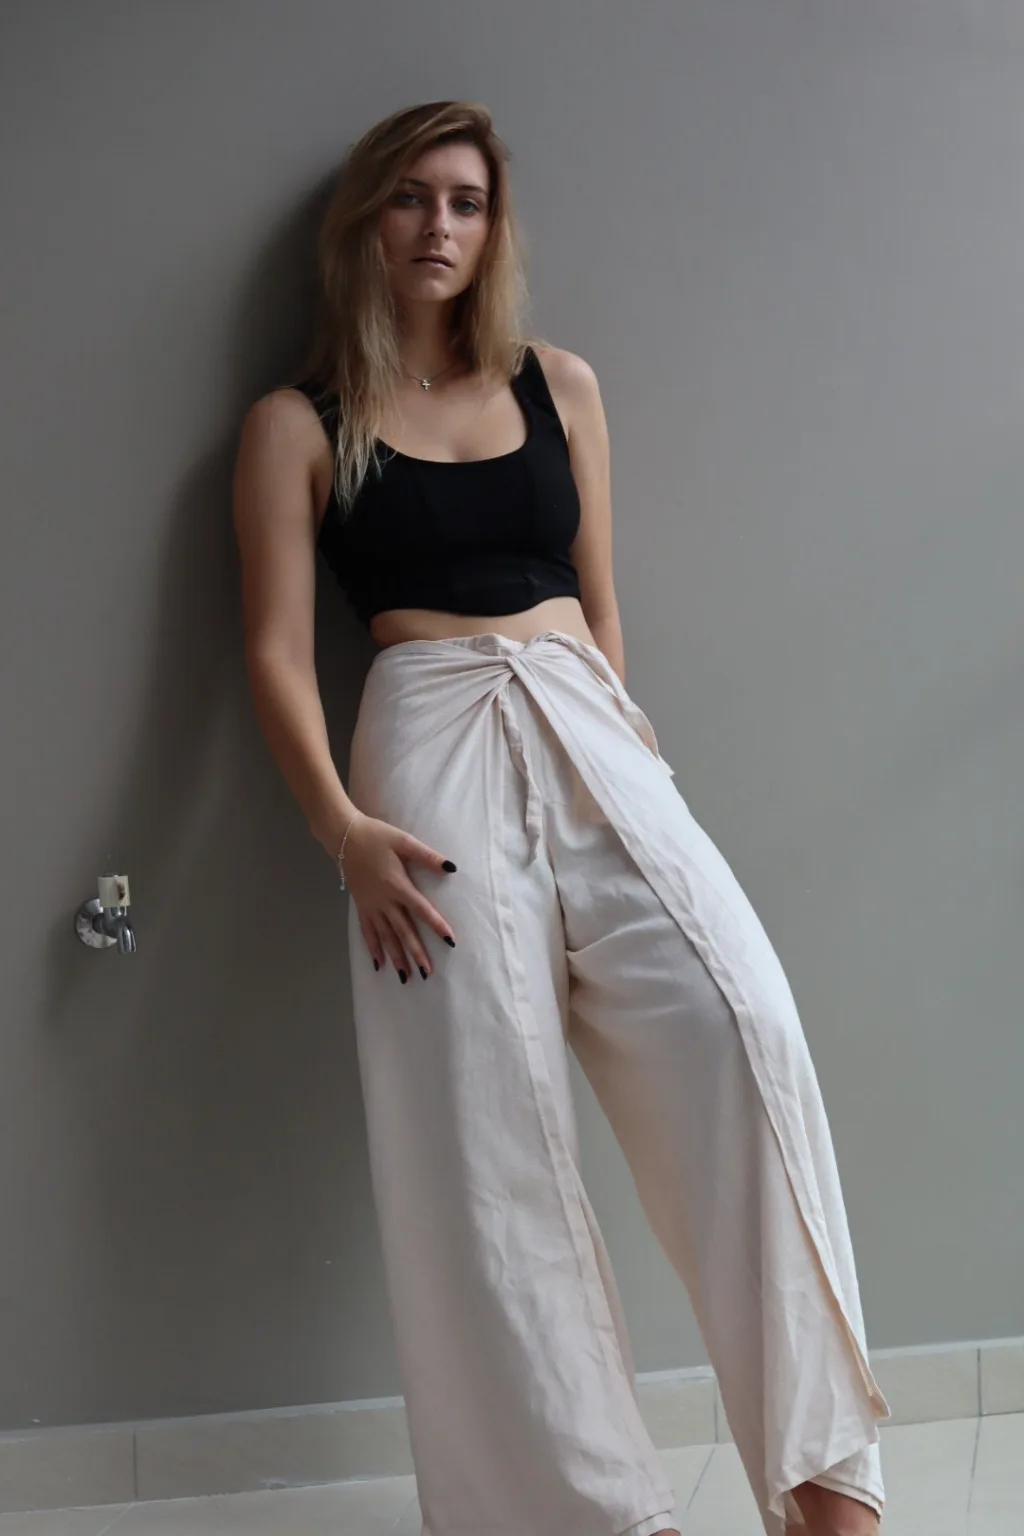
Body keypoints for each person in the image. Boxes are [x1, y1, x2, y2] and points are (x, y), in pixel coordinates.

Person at [232, 99, 890, 1536]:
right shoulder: (297, 424)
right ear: (365, 221)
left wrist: (618, 740)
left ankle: (826, 1489)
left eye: (466, 202)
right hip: (424, 755)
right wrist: (345, 833)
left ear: (495, 227)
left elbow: (600, 604)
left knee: (746, 1030)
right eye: (411, 198)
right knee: (487, 1136)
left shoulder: (559, 385)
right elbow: (276, 653)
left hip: (590, 727)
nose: (440, 227)